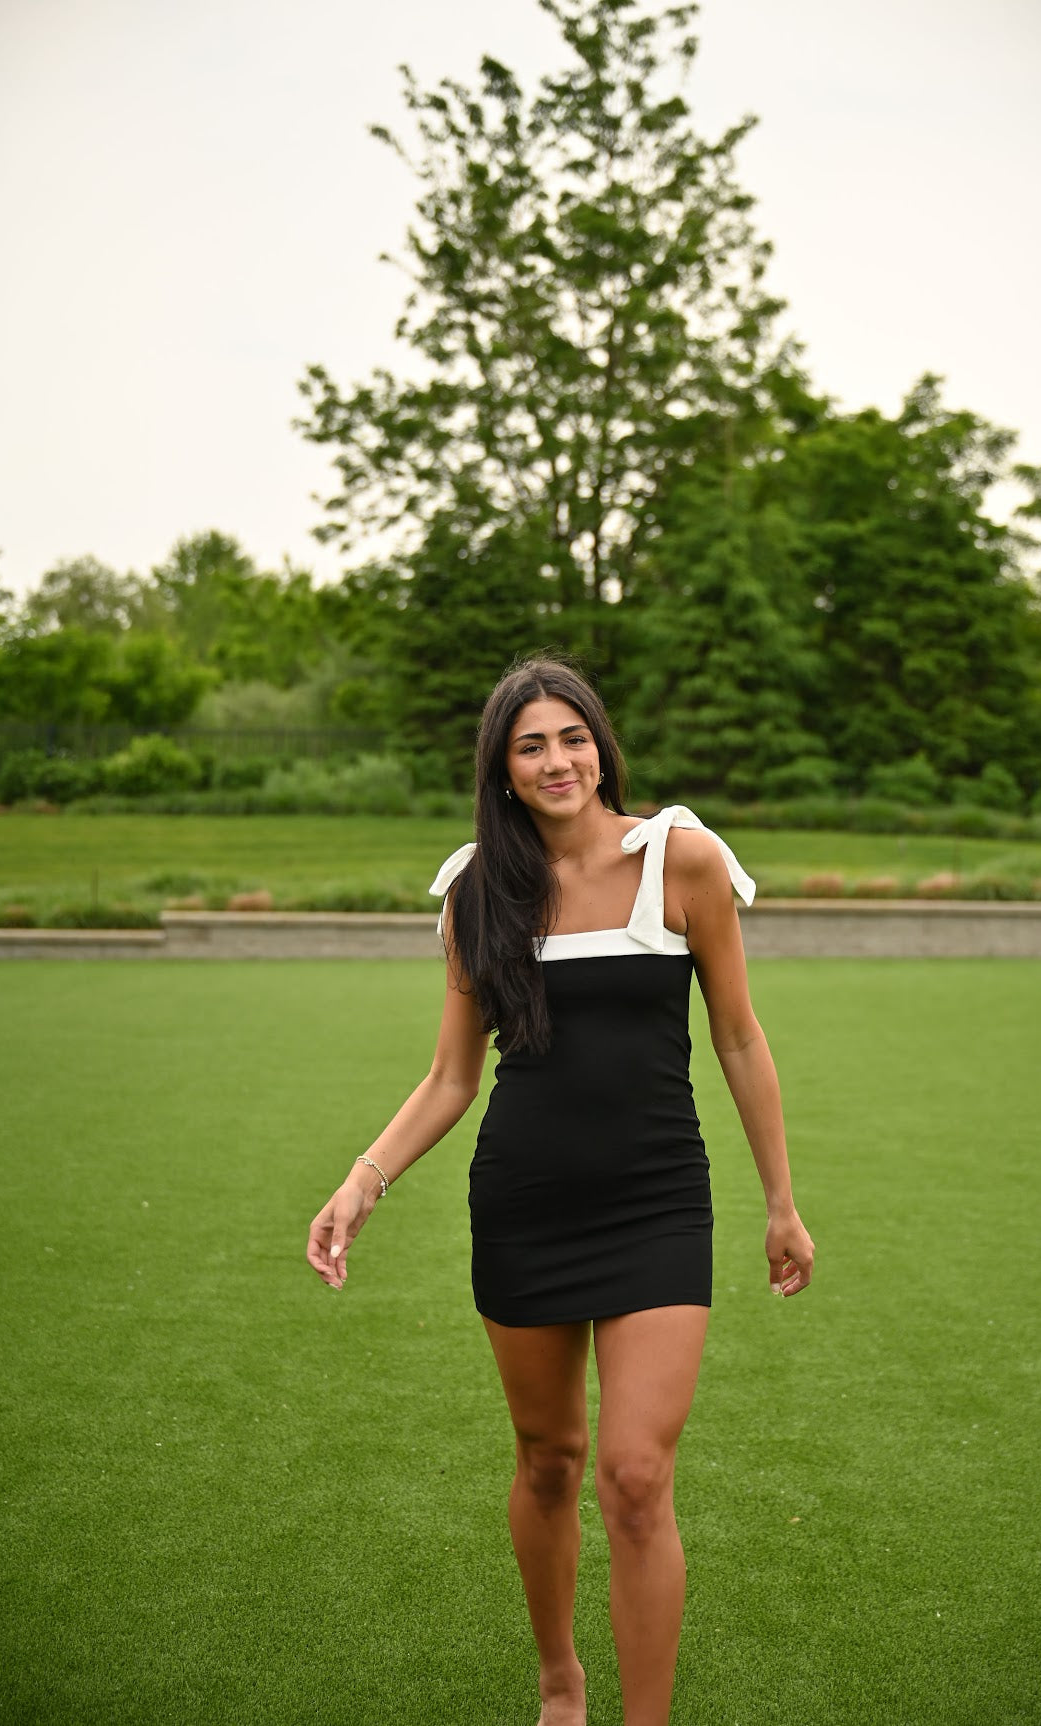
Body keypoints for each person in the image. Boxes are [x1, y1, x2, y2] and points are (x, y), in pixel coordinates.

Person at [306, 656, 815, 1726]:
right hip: (525, 1204)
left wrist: (780, 1201)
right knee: (548, 1461)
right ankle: (558, 1679)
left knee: (633, 1475)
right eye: (530, 745)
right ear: (501, 768)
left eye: (571, 737)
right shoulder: (478, 891)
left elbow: (737, 1036)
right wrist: (363, 1179)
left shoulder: (680, 858)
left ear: (600, 745)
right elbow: (451, 1077)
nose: (556, 761)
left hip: (657, 1202)